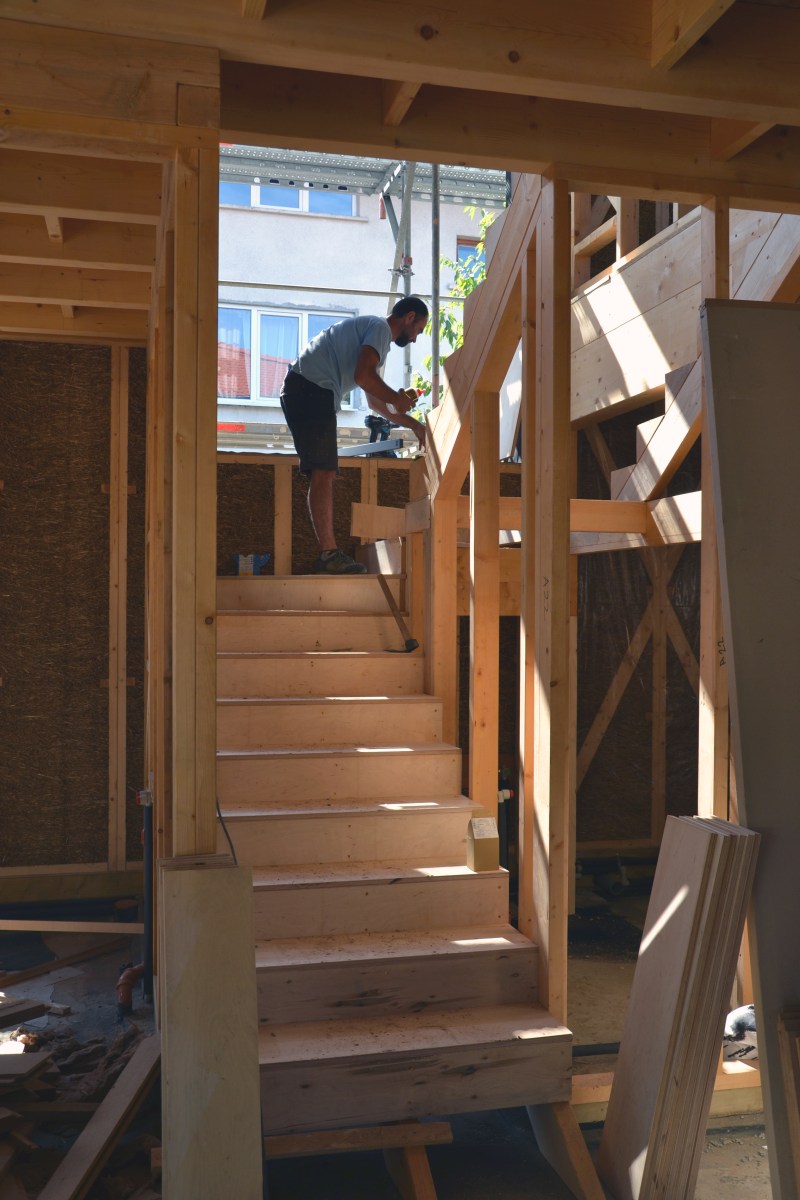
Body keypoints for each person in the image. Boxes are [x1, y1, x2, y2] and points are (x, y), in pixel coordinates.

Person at [280, 295, 429, 574]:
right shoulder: (380, 329)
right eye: (418, 330)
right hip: (312, 388)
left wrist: (413, 424)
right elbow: (364, 377)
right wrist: (397, 398)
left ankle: (328, 553)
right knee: (324, 471)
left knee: (323, 471)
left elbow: (375, 401)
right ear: (409, 317)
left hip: (306, 388)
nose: (415, 339)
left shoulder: (373, 336)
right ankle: (328, 555)